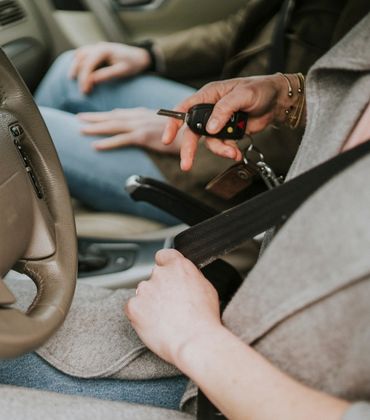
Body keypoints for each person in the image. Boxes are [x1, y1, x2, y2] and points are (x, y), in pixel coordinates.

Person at [1, 11, 370, 419]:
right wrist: (290, 96)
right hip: (237, 332)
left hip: (239, 381)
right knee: (69, 75)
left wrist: (195, 339)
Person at [34, 0, 369, 223]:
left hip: (251, 171)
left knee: (21, 129)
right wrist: (149, 54)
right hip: (241, 114)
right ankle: (43, 208)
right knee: (74, 70)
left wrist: (182, 137)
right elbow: (242, 30)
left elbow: (350, 117)